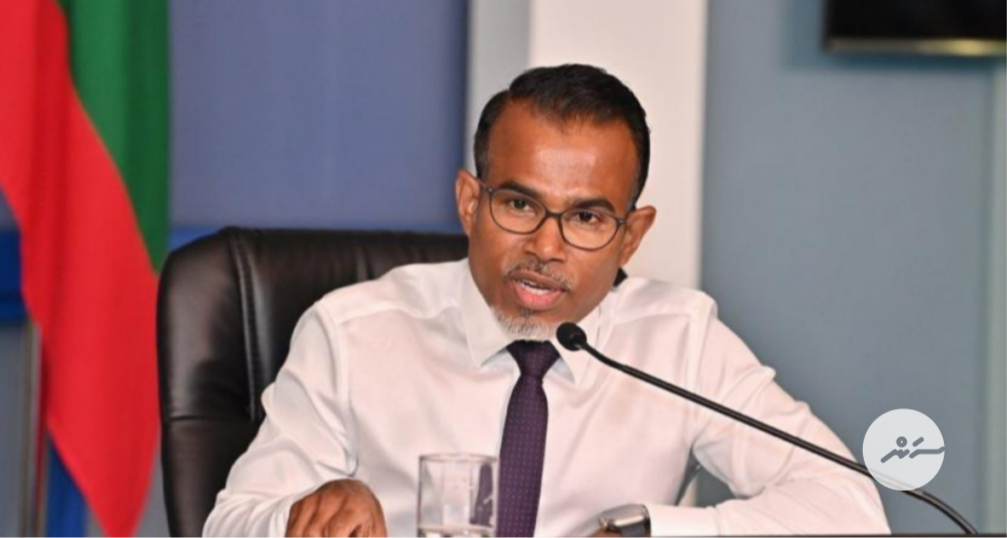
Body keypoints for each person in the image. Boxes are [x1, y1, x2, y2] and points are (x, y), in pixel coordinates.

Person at [204, 64, 890, 538]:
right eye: (518, 204)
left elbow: (849, 506)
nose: (546, 246)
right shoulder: (351, 332)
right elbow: (230, 522)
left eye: (587, 218)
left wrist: (650, 532)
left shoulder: (681, 341)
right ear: (470, 202)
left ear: (631, 236)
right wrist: (306, 514)